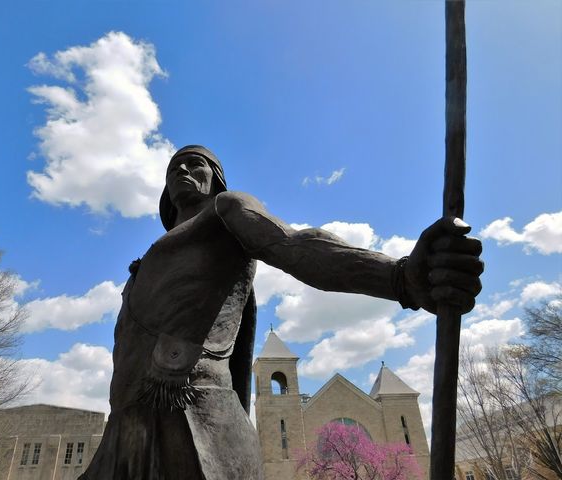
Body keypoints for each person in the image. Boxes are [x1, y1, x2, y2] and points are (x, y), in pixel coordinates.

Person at [80, 145, 483, 480]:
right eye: (174, 167)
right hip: (124, 433)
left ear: (215, 177)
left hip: (191, 418)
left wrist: (400, 278)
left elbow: (297, 247)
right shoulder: (145, 263)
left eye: (195, 162)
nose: (183, 168)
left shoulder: (225, 210)